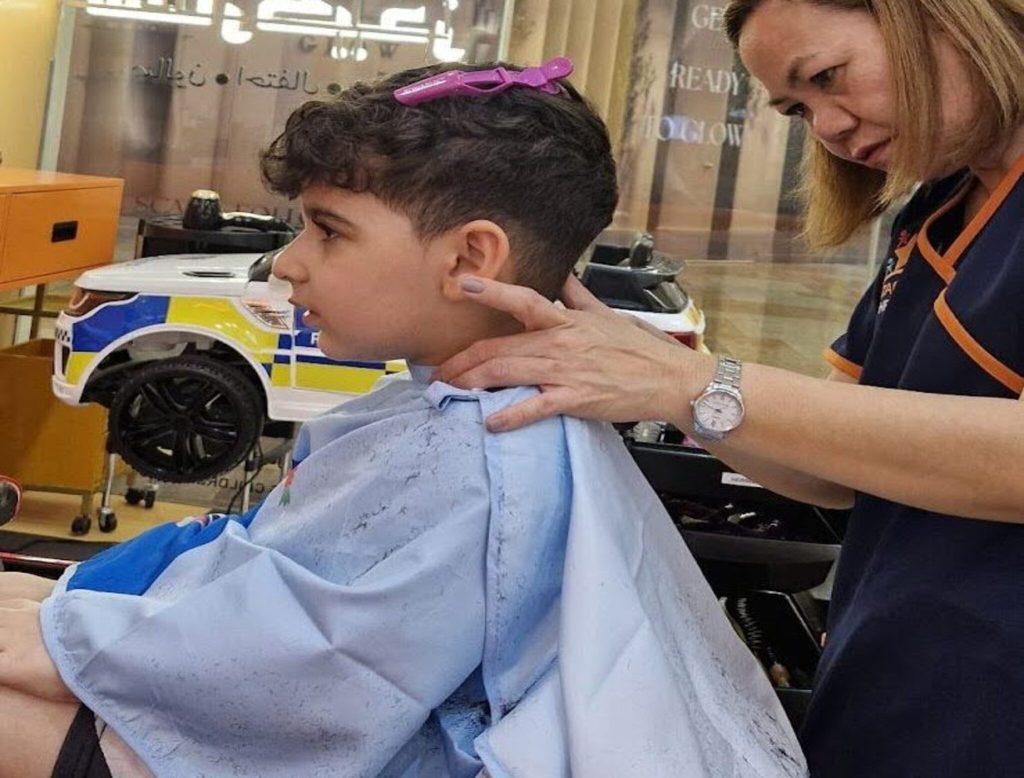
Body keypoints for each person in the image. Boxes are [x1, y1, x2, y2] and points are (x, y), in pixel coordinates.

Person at [0, 60, 805, 778]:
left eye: (328, 230)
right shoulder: (448, 410)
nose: (287, 263)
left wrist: (69, 638)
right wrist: (71, 609)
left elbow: (310, 669)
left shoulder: (486, 451)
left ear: (469, 259)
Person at [434, 2, 1024, 776]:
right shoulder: (938, 214)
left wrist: (695, 380)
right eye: (798, 108)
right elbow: (831, 466)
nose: (828, 129)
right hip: (903, 683)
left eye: (826, 78)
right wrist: (658, 386)